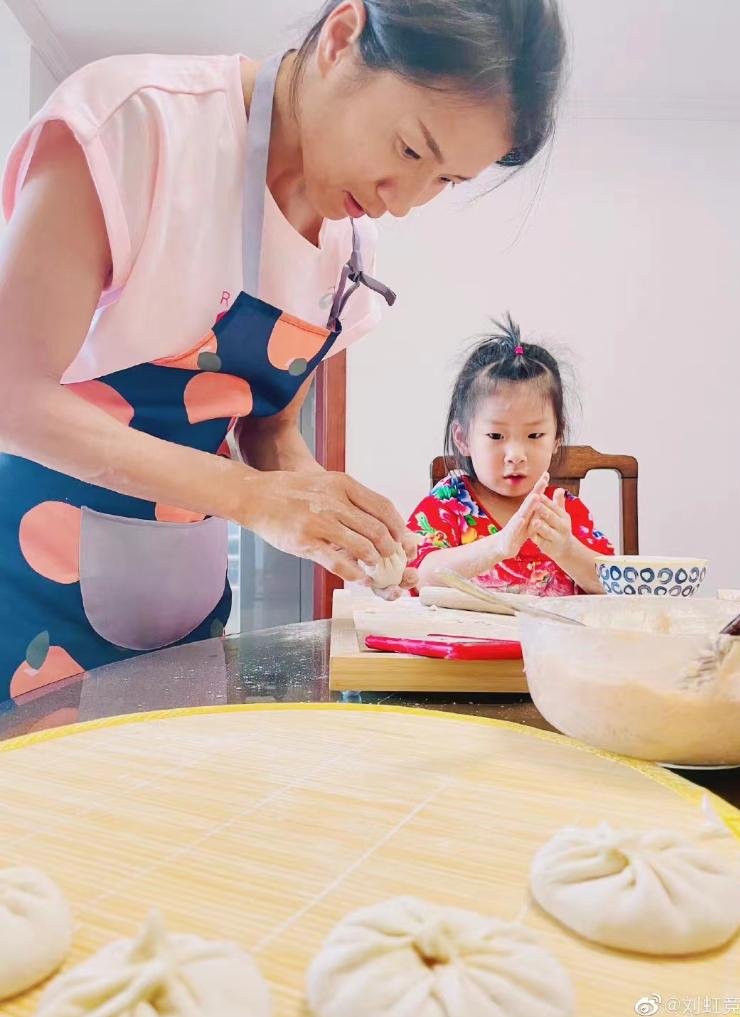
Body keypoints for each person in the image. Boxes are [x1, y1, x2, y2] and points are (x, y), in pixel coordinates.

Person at [0, 0, 566, 699]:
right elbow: (13, 399)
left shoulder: (346, 247)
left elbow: (268, 430)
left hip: (181, 615)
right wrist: (255, 499)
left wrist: (332, 514)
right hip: (25, 592)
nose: (402, 202)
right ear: (342, 37)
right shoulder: (137, 125)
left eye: (445, 180)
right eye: (410, 150)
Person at [408, 317, 614, 596]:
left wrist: (566, 549)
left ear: (557, 438)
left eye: (534, 435)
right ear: (463, 438)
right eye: (496, 436)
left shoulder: (564, 511)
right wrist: (498, 546)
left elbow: (612, 584)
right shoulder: (449, 503)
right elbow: (418, 577)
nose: (515, 455)